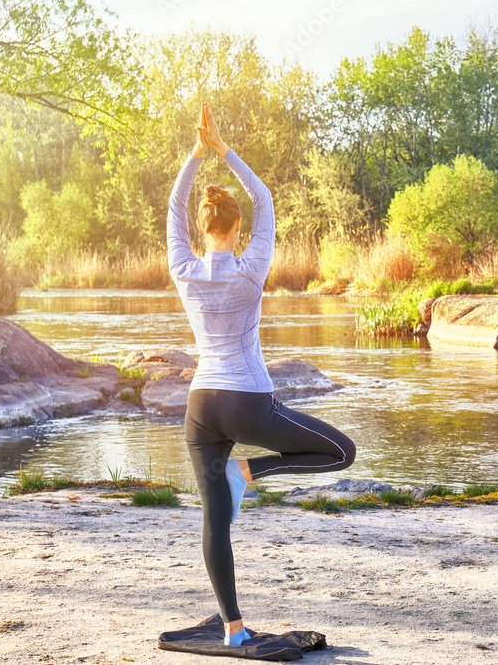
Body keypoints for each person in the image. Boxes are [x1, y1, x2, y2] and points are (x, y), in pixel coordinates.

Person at [167, 102, 356, 647]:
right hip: (249, 403)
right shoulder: (252, 269)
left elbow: (176, 202)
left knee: (213, 518)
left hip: (202, 405)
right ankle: (250, 471)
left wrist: (196, 153)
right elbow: (265, 197)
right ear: (239, 229)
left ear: (203, 230)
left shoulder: (183, 269)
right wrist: (222, 150)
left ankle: (232, 628)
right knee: (340, 452)